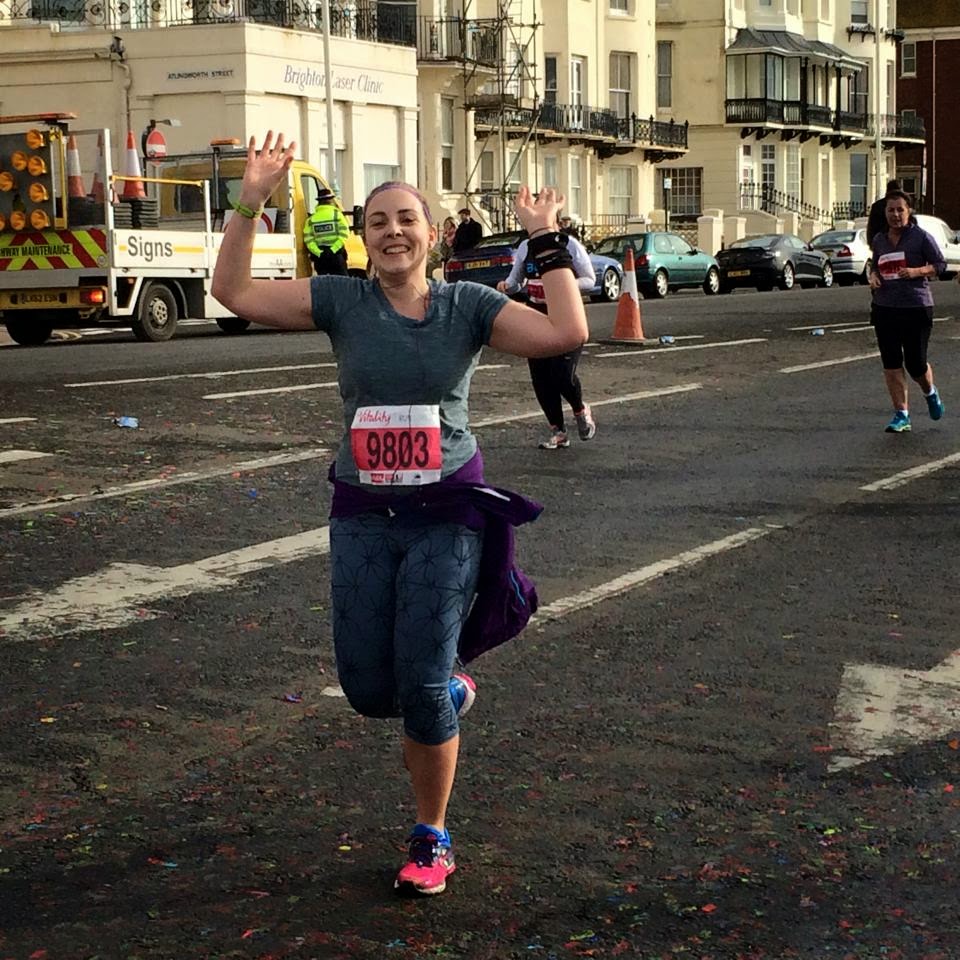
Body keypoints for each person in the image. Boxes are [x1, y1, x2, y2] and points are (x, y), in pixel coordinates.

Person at [211, 132, 588, 896]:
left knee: (417, 681)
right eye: (377, 221)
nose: (392, 232)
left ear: (434, 234)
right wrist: (250, 200)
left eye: (406, 219)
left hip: (446, 511)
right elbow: (235, 293)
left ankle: (431, 834)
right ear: (364, 235)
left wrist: (546, 238)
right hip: (362, 511)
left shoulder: (467, 306)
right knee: (366, 688)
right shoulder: (342, 301)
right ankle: (447, 693)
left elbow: (565, 333)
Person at [498, 229, 597, 448]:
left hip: (566, 313)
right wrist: (507, 286)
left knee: (562, 374)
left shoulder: (568, 244)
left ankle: (580, 410)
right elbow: (516, 281)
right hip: (536, 315)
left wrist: (561, 284)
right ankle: (558, 431)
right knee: (541, 378)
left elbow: (590, 280)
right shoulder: (525, 247)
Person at [868, 189, 946, 433]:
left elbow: (940, 265)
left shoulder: (920, 237)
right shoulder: (880, 239)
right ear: (885, 213)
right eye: (891, 210)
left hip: (916, 306)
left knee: (916, 363)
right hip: (885, 307)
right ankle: (901, 414)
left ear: (908, 211)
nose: (895, 215)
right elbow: (875, 264)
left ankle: (930, 392)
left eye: (900, 209)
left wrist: (916, 272)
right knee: (891, 362)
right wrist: (873, 276)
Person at [303, 186, 351, 275]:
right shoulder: (337, 215)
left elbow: (308, 240)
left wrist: (318, 253)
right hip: (336, 256)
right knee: (342, 281)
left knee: (323, 282)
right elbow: (344, 234)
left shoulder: (311, 219)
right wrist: (333, 249)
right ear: (330, 201)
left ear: (319, 202)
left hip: (320, 259)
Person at [866, 178, 902, 244]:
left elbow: (871, 229)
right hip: (896, 242)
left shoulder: (877, 206)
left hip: (881, 242)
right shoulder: (903, 205)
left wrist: (872, 243)